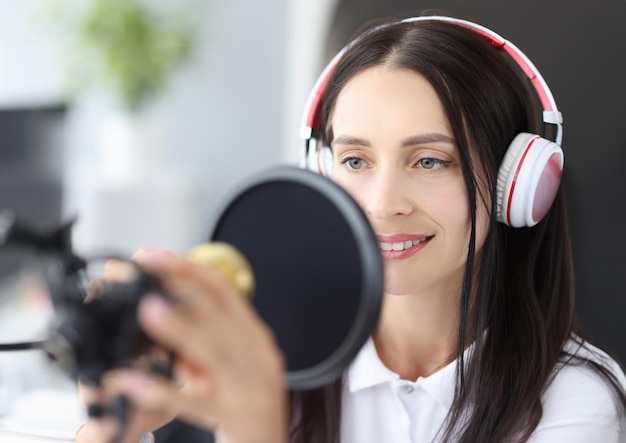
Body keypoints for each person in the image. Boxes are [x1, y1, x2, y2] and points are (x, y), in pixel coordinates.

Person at [75, 12, 626, 443]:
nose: (382, 205)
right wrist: (115, 428)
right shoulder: (279, 354)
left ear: (518, 185)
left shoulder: (575, 401)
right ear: (322, 170)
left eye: (431, 161)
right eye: (356, 161)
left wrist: (253, 425)